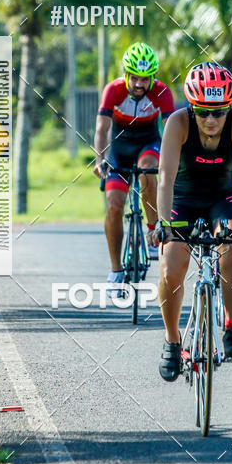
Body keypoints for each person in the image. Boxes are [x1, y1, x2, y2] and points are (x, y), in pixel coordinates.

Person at [150, 62, 232, 382]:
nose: (211, 120)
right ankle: (171, 340)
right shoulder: (178, 123)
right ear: (192, 107)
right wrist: (162, 224)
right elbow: (164, 179)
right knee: (171, 263)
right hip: (184, 198)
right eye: (203, 112)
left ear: (230, 108)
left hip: (225, 196)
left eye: (219, 112)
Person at [93, 42, 175, 292]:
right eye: (135, 78)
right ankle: (116, 270)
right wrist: (100, 159)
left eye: (145, 79)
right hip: (119, 150)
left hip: (149, 144)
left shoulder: (162, 92)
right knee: (114, 205)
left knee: (149, 169)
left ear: (153, 77)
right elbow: (102, 128)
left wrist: (174, 162)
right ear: (126, 74)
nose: (140, 84)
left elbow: (172, 130)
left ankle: (152, 233)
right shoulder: (113, 90)